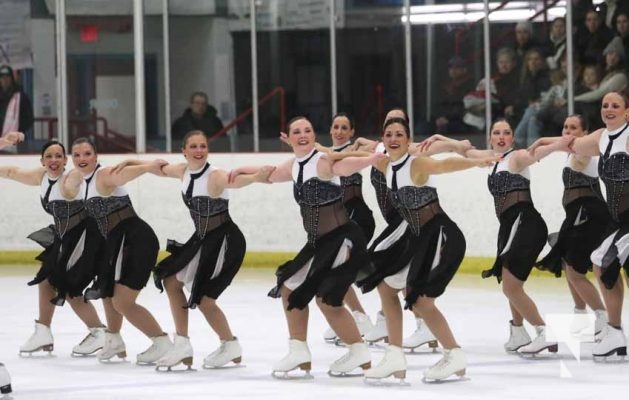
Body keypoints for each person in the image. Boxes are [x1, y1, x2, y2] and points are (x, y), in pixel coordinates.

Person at [236, 116, 380, 378]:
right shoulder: (294, 165)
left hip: (341, 238)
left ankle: (358, 352)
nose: (303, 134)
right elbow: (269, 175)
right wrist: (242, 170)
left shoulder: (322, 161)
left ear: (314, 135)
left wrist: (372, 160)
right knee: (290, 287)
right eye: (297, 131)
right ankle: (299, 350)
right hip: (318, 243)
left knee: (327, 299)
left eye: (308, 130)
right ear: (288, 138)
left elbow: (346, 166)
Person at [358, 117, 497, 383]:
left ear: (409, 141)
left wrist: (475, 162)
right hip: (417, 237)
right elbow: (359, 153)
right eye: (389, 134)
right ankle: (395, 355)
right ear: (384, 140)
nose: (394, 138)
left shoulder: (417, 163)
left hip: (440, 234)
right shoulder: (385, 164)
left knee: (420, 300)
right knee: (387, 287)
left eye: (400, 134)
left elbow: (445, 164)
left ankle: (454, 354)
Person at [145, 130, 273, 370]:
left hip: (224, 239)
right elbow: (160, 170)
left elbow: (235, 180)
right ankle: (182, 344)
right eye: (193, 146)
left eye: (203, 146)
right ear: (184, 151)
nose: (199, 150)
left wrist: (257, 176)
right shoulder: (182, 171)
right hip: (203, 239)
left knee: (204, 299)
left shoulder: (214, 176)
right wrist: (142, 165)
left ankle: (229, 344)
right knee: (171, 282)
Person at [533, 91, 629, 359]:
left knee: (602, 262)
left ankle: (612, 328)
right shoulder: (602, 138)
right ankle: (614, 330)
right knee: (601, 262)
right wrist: (545, 143)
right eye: (605, 105)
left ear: (627, 112)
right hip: (618, 220)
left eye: (616, 106)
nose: (609, 109)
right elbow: (573, 145)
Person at [65, 137, 172, 364]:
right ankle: (113, 340)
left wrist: (148, 168)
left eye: (87, 154)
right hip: (115, 241)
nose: (82, 159)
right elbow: (68, 187)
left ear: (95, 156)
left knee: (122, 302)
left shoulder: (103, 175)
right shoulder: (83, 179)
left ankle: (162, 342)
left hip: (135, 239)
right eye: (77, 155)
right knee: (106, 290)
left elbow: (121, 175)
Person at [0, 139, 107, 357]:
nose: (54, 160)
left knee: (68, 287)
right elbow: (10, 171)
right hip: (63, 237)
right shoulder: (41, 177)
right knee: (46, 280)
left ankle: (99, 332)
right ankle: (43, 332)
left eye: (59, 156)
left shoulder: (71, 177)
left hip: (84, 237)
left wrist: (74, 180)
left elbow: (71, 187)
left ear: (66, 160)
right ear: (42, 161)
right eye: (49, 156)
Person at [464, 120, 557, 355]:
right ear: (490, 138)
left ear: (513, 139)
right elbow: (465, 150)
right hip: (510, 227)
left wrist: (557, 144)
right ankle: (518, 332)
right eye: (496, 133)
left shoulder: (515, 157)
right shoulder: (494, 161)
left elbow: (534, 154)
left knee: (511, 287)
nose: (501, 136)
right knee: (511, 284)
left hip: (525, 223)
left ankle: (544, 332)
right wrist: (442, 139)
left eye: (507, 132)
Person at [528, 115, 609, 335]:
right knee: (567, 264)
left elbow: (574, 149)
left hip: (589, 214)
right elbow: (565, 142)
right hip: (577, 214)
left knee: (574, 271)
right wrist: (546, 140)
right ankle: (580, 315)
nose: (567, 131)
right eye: (565, 127)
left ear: (585, 134)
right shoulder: (572, 150)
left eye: (574, 128)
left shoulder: (585, 154)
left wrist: (550, 143)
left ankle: (603, 317)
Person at [0, 65, 33, 152]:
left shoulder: (21, 97)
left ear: (11, 79)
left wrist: (18, 131)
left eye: (7, 77)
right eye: (2, 77)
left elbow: (29, 118)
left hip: (15, 142)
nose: (5, 80)